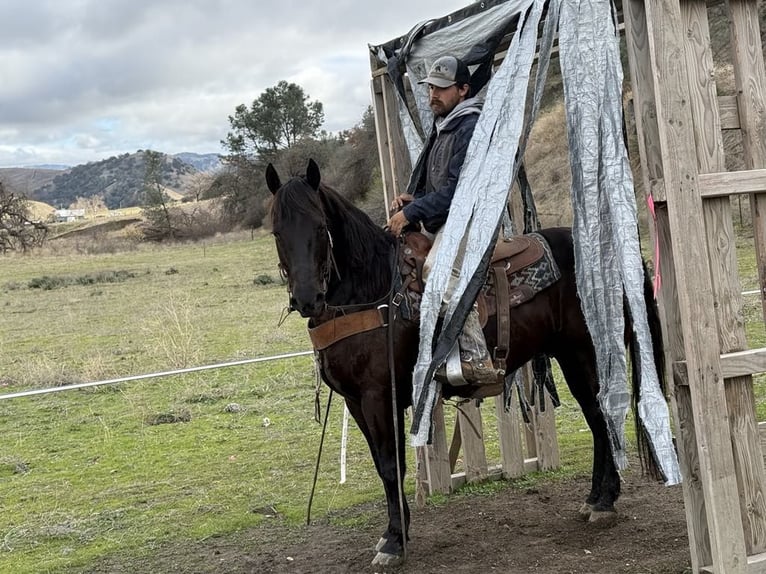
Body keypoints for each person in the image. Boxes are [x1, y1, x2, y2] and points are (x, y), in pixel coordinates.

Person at [387, 55, 501, 386]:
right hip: (446, 222)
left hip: (470, 221)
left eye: (441, 88)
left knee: (437, 275)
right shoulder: (444, 127)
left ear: (463, 90)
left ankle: (478, 358)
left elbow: (458, 191)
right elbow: (437, 187)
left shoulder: (469, 126)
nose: (432, 95)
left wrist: (411, 212)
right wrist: (415, 200)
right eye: (431, 88)